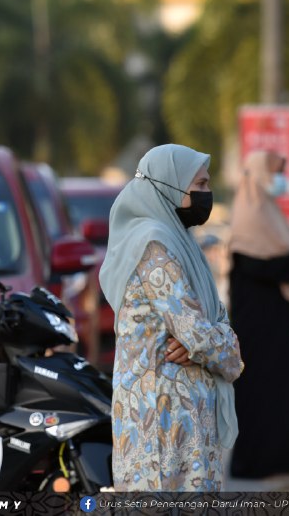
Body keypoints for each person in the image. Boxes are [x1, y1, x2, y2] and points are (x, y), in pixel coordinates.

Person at [99, 144, 243, 492]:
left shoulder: (181, 243)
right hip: (160, 418)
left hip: (184, 414)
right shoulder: (154, 244)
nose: (207, 194)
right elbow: (198, 332)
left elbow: (213, 321)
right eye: (201, 184)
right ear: (171, 184)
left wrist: (209, 339)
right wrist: (229, 351)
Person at [228, 150, 289, 478]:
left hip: (279, 322)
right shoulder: (250, 216)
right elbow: (260, 266)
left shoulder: (269, 212)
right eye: (276, 172)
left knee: (286, 388)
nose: (281, 179)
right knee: (264, 391)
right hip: (262, 326)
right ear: (260, 174)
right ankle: (261, 460)